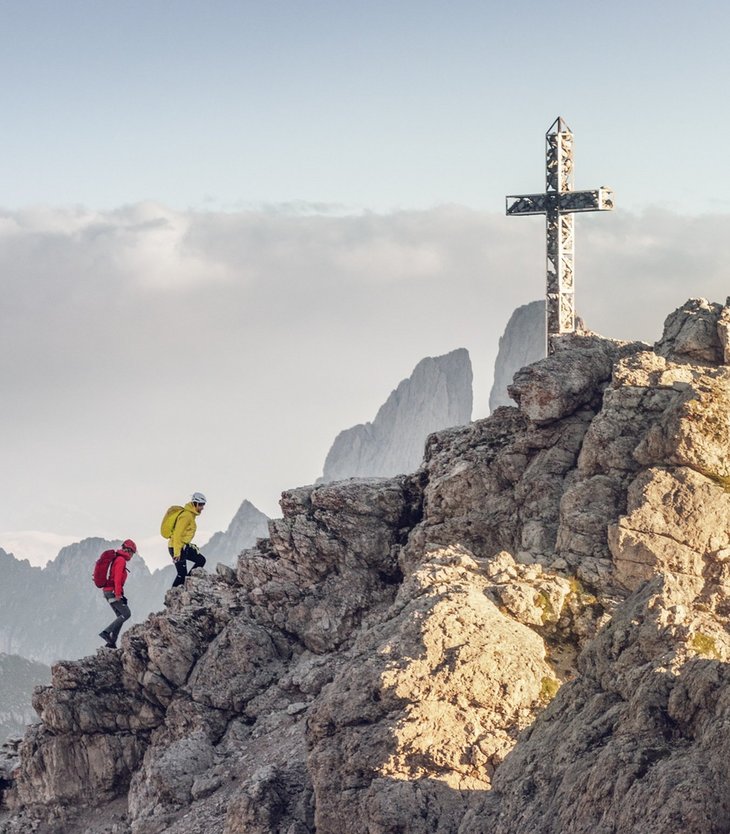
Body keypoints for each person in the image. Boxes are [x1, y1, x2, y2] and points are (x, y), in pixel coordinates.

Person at [99, 539, 136, 648]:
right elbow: (118, 578)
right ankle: (106, 633)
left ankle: (111, 642)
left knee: (120, 615)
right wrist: (119, 594)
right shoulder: (121, 560)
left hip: (108, 591)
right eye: (133, 553)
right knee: (126, 614)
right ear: (129, 550)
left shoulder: (117, 558)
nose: (132, 556)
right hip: (112, 591)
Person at [169, 492, 207, 588]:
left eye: (203, 504)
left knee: (201, 560)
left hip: (183, 546)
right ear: (194, 504)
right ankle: (173, 595)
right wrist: (177, 553)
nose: (202, 507)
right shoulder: (186, 516)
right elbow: (177, 534)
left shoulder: (191, 515)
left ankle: (188, 584)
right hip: (176, 547)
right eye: (201, 504)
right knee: (181, 574)